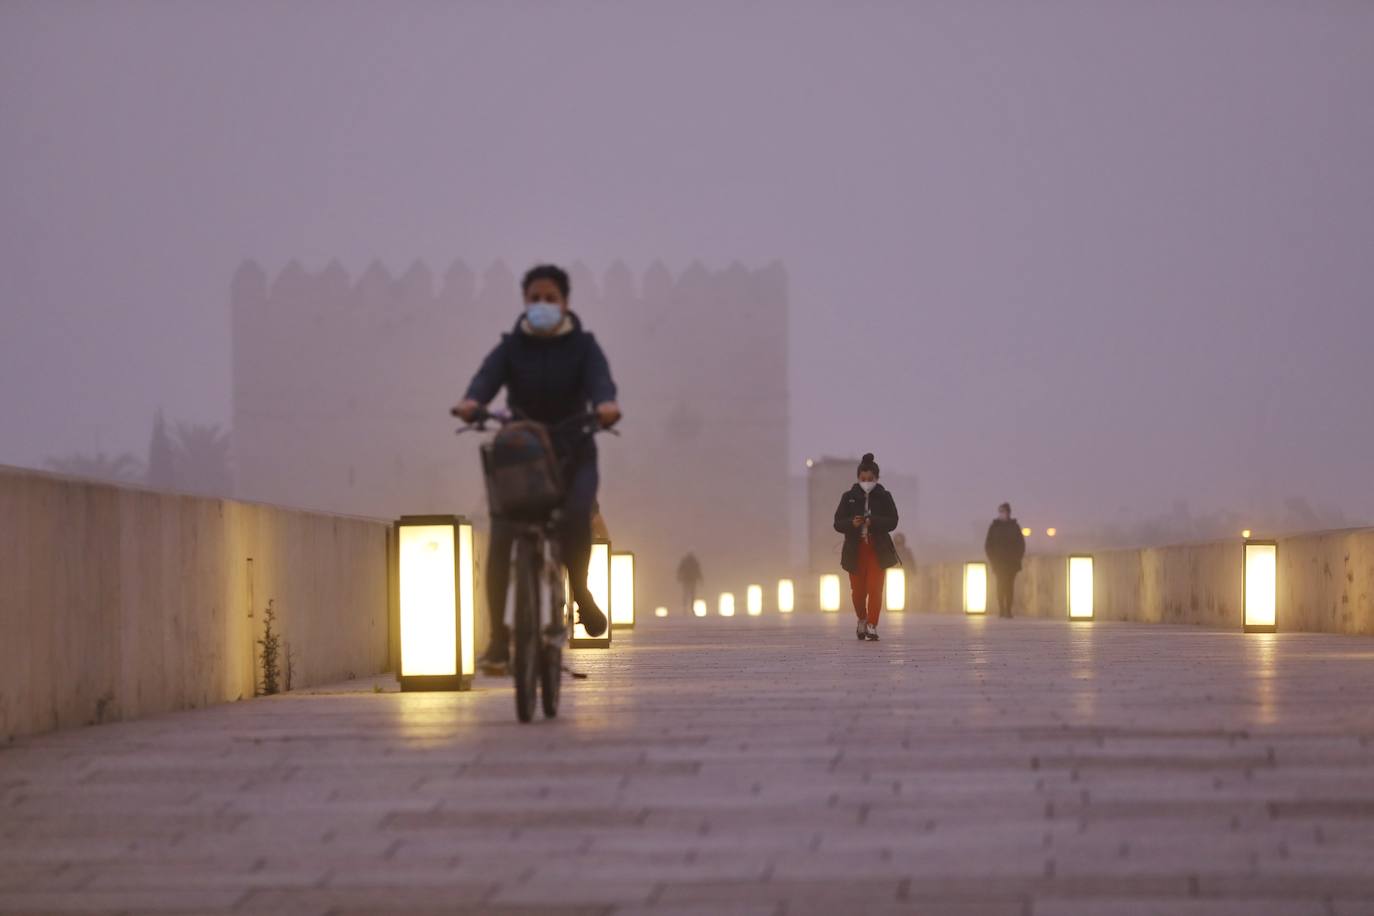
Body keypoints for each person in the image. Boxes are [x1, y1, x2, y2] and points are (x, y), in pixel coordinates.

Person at [452, 264, 621, 671]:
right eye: (535, 299)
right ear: (525, 302)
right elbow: (485, 379)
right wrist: (472, 402)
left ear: (564, 303)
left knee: (578, 518)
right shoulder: (511, 348)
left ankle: (580, 592)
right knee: (504, 535)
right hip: (523, 453)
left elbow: (600, 382)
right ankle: (498, 641)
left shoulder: (584, 346)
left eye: (550, 299)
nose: (542, 305)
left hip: (572, 450)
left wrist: (605, 406)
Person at [833, 453, 900, 641]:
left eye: (870, 479)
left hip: (877, 550)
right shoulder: (848, 497)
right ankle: (861, 619)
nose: (867, 482)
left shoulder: (884, 497)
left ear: (877, 479)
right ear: (858, 478)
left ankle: (872, 624)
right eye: (863, 479)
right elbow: (837, 523)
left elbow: (893, 521)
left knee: (875, 588)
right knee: (858, 591)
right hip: (855, 550)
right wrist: (851, 523)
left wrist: (874, 522)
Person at [984, 502, 1026, 618]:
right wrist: (993, 558)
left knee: (1009, 586)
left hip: (1011, 563)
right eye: (1000, 511)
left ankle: (1008, 609)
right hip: (998, 562)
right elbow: (988, 545)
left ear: (1008, 512)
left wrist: (1017, 557)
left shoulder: (1014, 527)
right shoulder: (994, 527)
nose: (1002, 514)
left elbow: (1021, 544)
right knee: (1000, 585)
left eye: (1003, 511)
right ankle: (1001, 609)